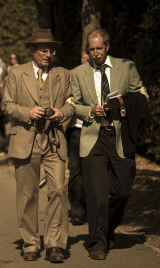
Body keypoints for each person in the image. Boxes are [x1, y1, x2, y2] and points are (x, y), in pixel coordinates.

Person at [71, 29, 145, 260]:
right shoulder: (78, 73)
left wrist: (122, 102)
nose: (95, 53)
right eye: (91, 49)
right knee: (97, 195)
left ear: (107, 47)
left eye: (99, 48)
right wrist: (90, 110)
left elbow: (142, 95)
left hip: (121, 137)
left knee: (122, 192)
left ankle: (108, 228)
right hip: (93, 137)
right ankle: (97, 242)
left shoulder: (127, 67)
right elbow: (74, 104)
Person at [2, 29, 74, 262]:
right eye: (43, 49)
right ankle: (31, 243)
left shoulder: (62, 74)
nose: (48, 54)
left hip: (53, 140)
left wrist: (62, 113)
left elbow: (72, 103)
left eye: (51, 49)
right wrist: (26, 112)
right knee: (27, 194)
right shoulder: (16, 72)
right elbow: (6, 104)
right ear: (32, 50)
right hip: (25, 138)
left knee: (59, 190)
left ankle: (54, 243)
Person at [66, 51, 90, 225]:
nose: (88, 58)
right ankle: (76, 210)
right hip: (76, 129)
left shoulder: (102, 75)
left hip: (96, 129)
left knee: (93, 171)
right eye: (85, 55)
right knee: (75, 169)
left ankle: (91, 208)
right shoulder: (71, 75)